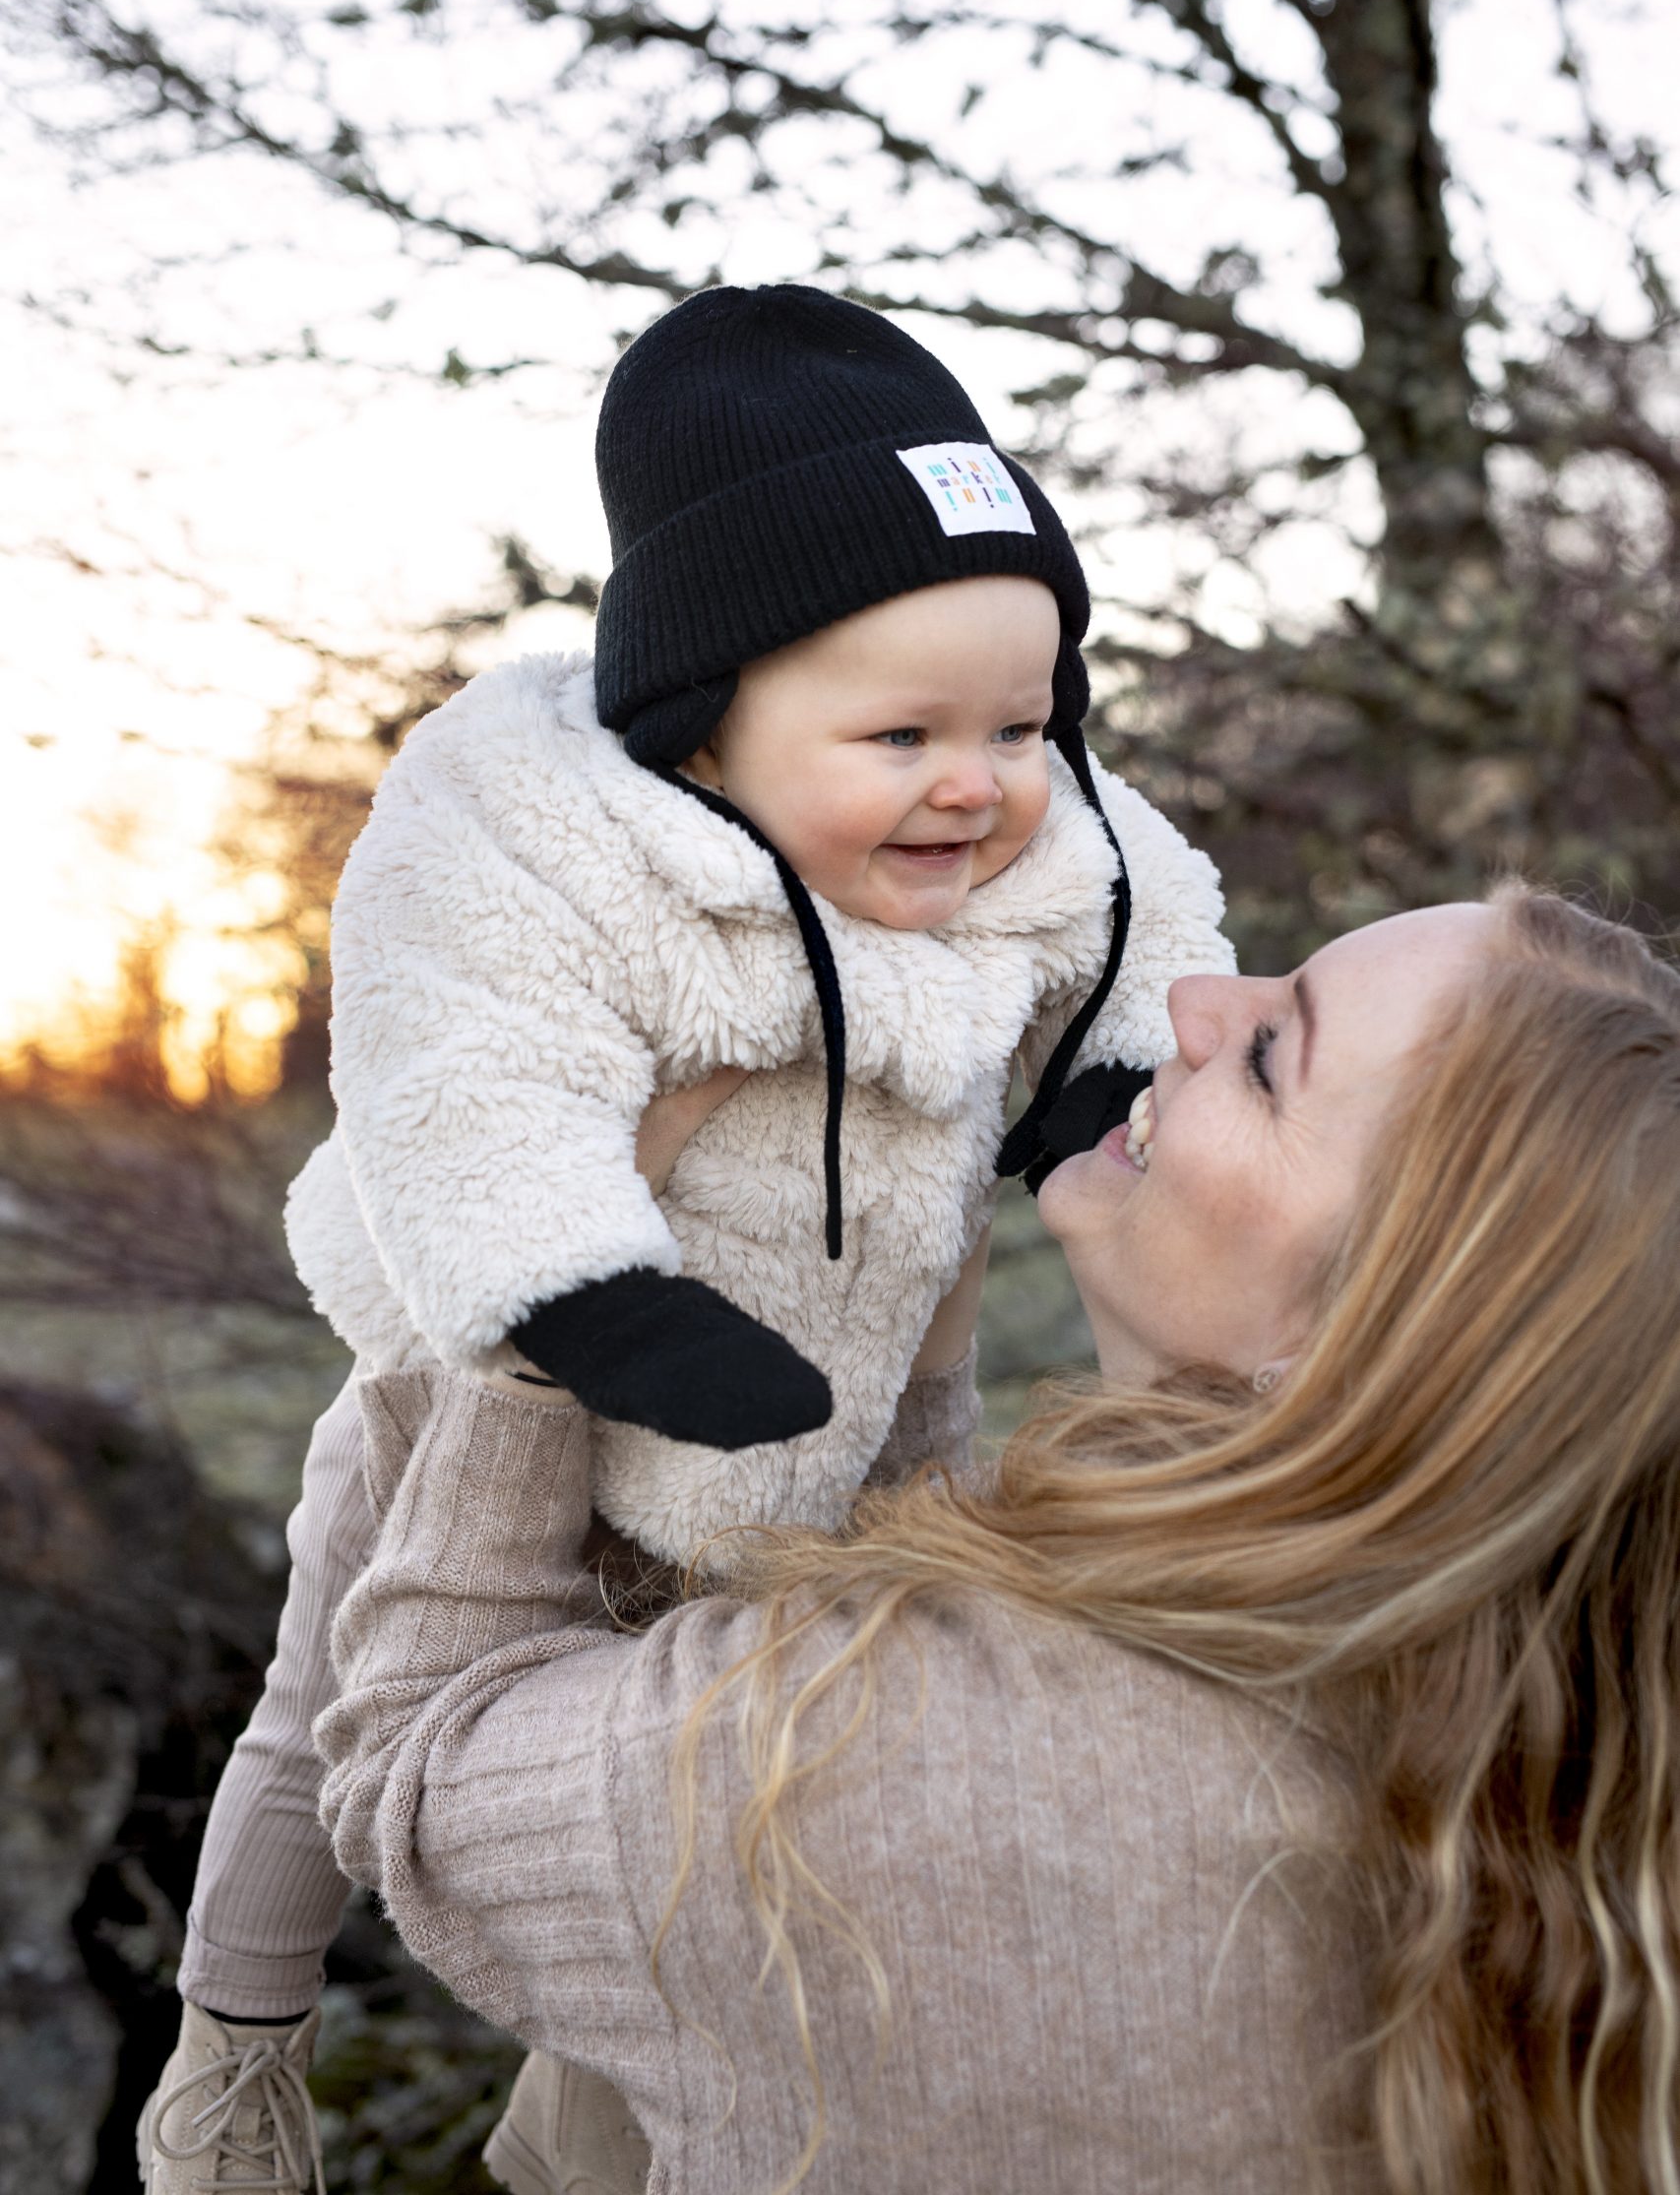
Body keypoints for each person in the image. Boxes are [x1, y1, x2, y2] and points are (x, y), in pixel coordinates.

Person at [138, 285, 1233, 2190]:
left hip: (853, 1385)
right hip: (487, 1371)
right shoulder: (551, 838)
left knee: (777, 1794)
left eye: (1020, 721)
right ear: (707, 729)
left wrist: (1100, 1096)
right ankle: (233, 2054)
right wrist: (583, 1292)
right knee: (321, 1713)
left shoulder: (1034, 835)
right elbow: (457, 1060)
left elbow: (1147, 937)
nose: (976, 782)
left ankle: (648, 2114)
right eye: (900, 731)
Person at [310, 888, 1680, 2193]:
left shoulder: (902, 1745)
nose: (1197, 999)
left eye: (1269, 1057)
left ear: (1366, 1341)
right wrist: (902, 1286)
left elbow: (424, 1771)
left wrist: (544, 1275)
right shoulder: (1560, 1773)